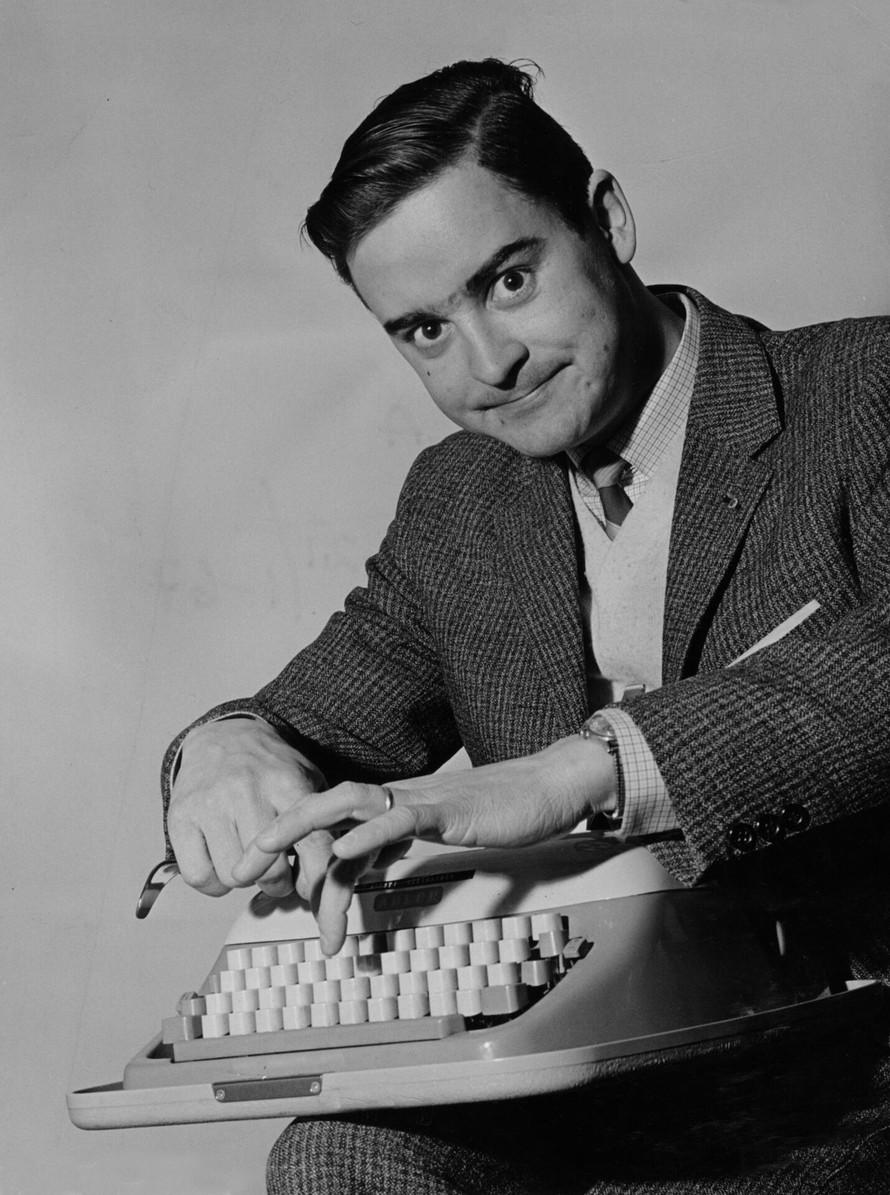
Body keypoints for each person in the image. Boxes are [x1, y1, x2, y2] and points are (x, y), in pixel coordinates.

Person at [162, 60, 890, 1193]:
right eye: (423, 330)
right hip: (579, 1073)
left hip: (846, 1078)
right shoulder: (459, 500)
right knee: (336, 1155)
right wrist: (226, 744)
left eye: (508, 280)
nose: (487, 363)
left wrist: (572, 771)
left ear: (606, 219)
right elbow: (308, 719)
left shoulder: (863, 388)